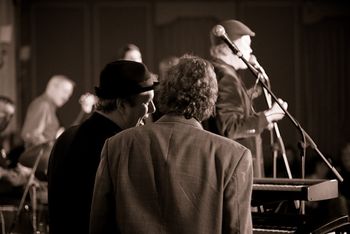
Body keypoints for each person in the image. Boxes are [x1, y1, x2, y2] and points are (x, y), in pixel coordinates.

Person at [89, 54, 253, 233]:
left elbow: (99, 227)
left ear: (165, 92)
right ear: (210, 100)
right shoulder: (234, 156)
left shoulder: (115, 146)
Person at [47, 60, 158, 234]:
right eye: (146, 102)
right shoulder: (119, 146)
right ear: (122, 105)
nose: (152, 109)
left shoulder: (66, 137)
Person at [208, 19, 287, 178]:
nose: (250, 49)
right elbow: (229, 128)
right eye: (246, 44)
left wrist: (250, 98)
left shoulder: (221, 72)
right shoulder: (226, 78)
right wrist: (268, 116)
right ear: (227, 48)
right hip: (237, 172)